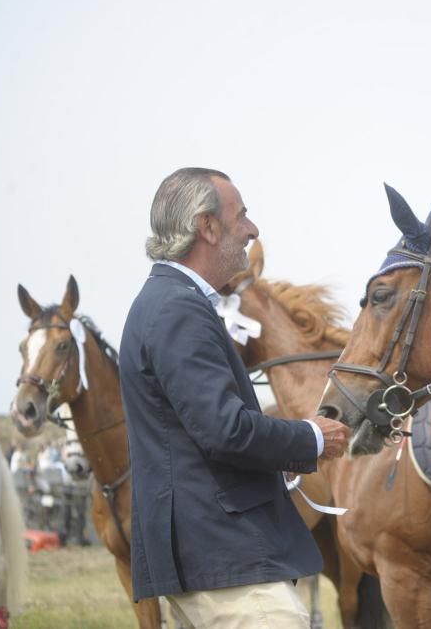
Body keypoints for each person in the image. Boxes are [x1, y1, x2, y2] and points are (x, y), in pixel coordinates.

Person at [119, 167, 350, 627]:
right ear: (207, 227)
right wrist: (310, 438)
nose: (252, 229)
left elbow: (198, 431)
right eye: (241, 215)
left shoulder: (166, 301)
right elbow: (225, 431)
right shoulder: (178, 308)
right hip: (226, 561)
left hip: (208, 559)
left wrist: (272, 453)